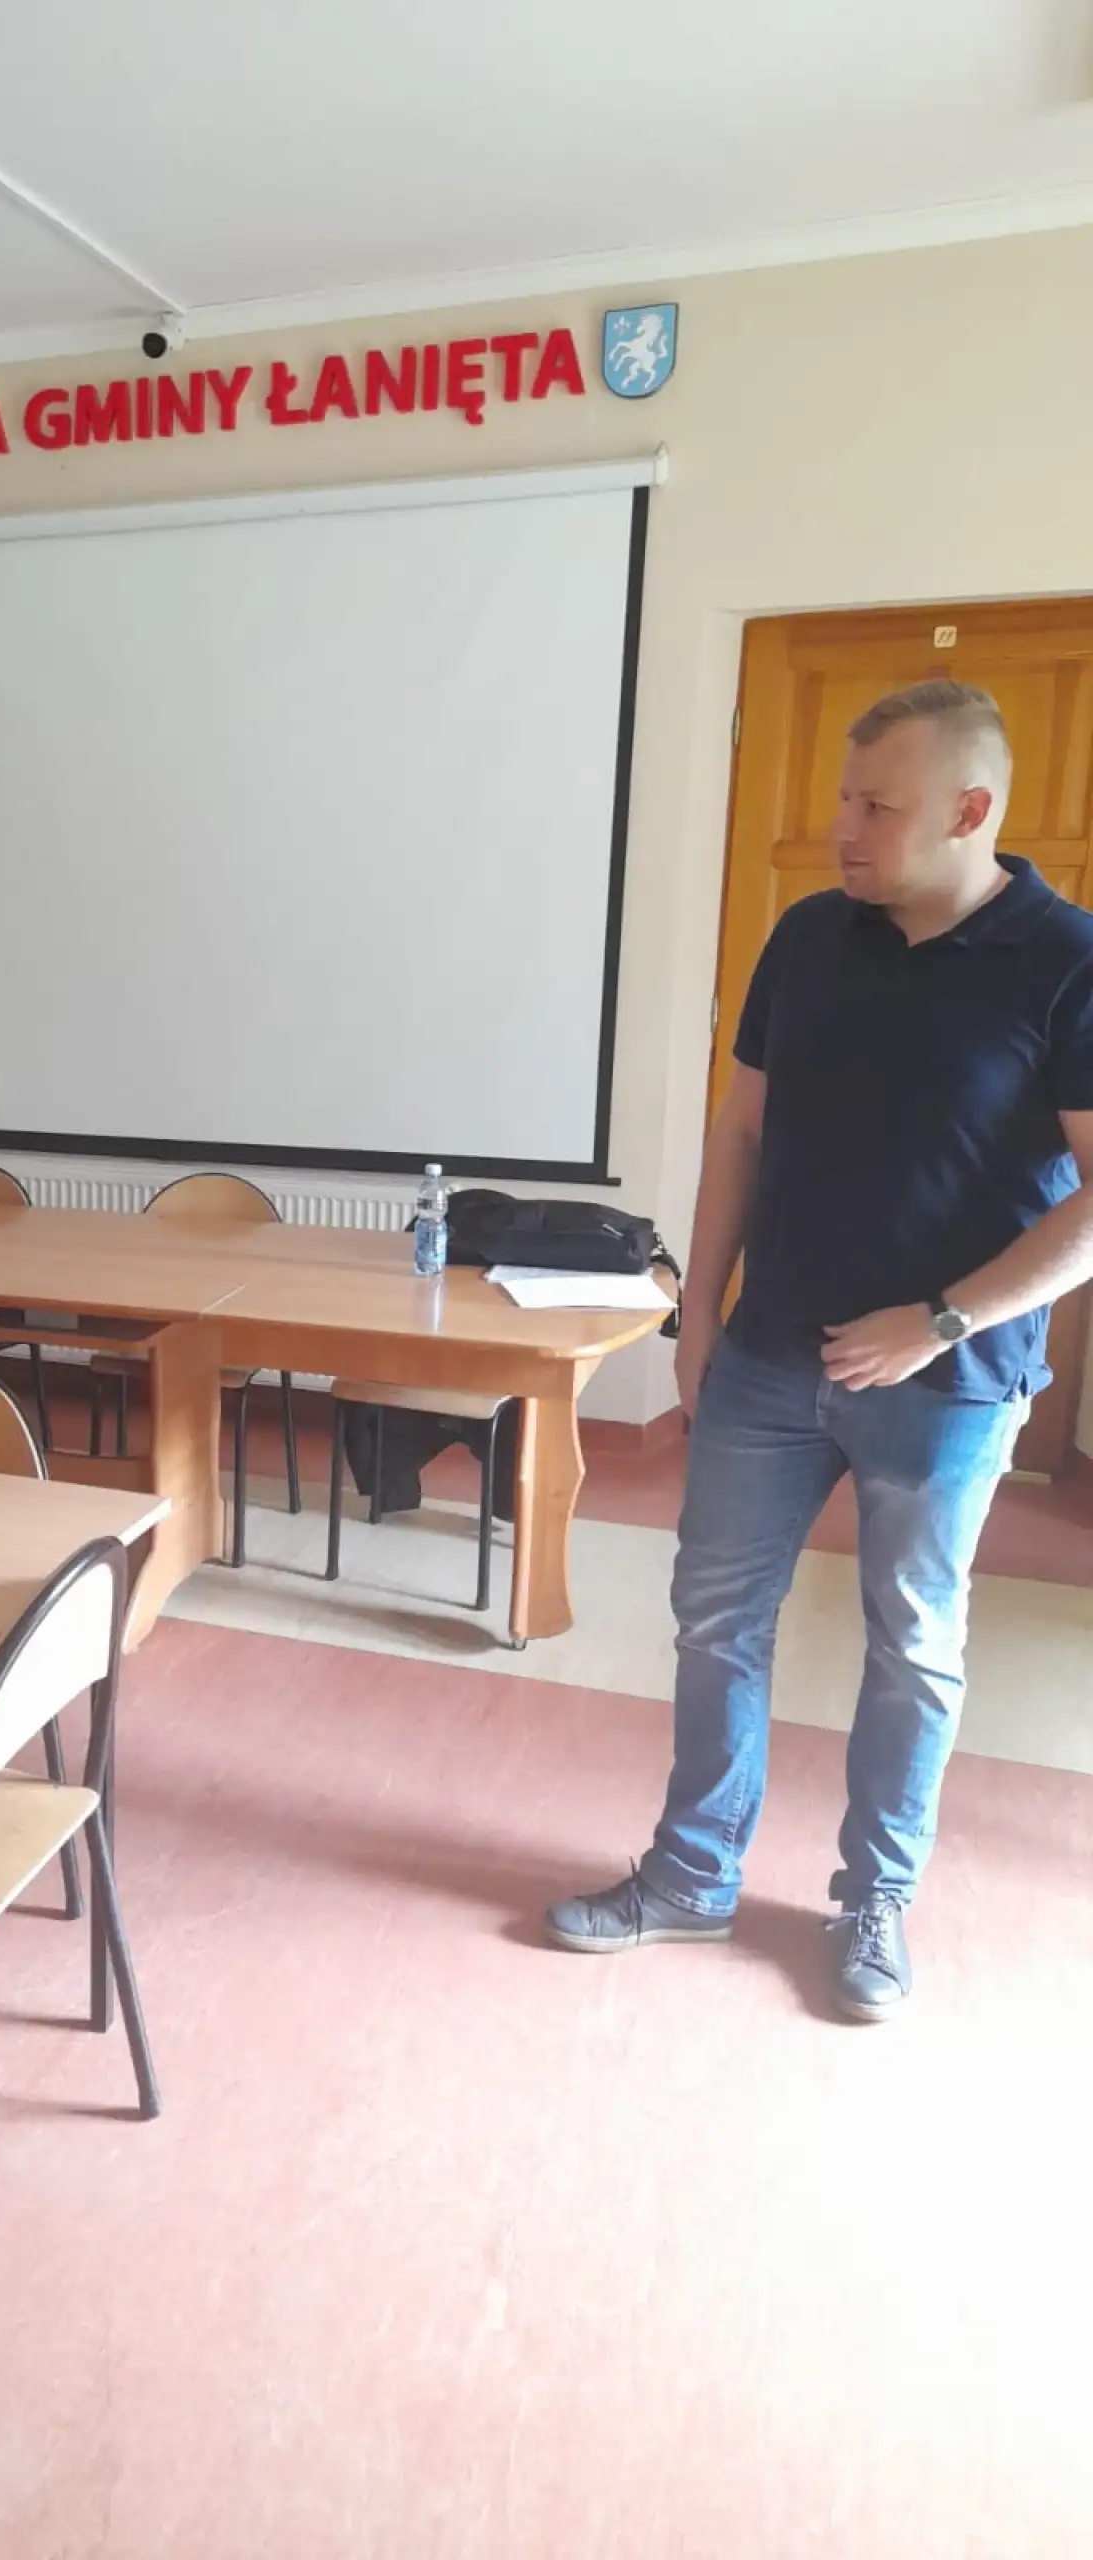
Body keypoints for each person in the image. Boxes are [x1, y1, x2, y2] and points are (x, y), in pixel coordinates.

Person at [546, 681, 1093, 2019]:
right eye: (844, 797)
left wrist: (943, 1317)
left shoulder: (1067, 959)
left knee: (913, 1644)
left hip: (948, 1384)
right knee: (716, 1619)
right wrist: (696, 1318)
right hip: (769, 1358)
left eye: (876, 806)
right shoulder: (806, 936)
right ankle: (692, 1875)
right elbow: (741, 1131)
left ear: (970, 810)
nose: (843, 827)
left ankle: (874, 1903)